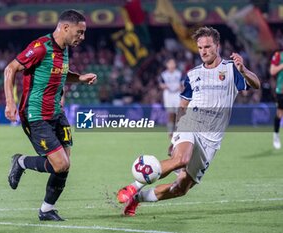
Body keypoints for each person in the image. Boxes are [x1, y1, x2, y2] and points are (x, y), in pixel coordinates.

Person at [117, 26, 260, 216]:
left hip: (211, 139)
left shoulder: (232, 69)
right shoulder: (193, 74)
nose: (203, 51)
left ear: (217, 46)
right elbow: (183, 105)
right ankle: (133, 186)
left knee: (181, 188)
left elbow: (256, 84)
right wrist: (176, 134)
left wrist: (244, 70)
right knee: (180, 159)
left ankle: (137, 199)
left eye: (208, 47)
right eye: (200, 48)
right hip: (191, 123)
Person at [4, 9, 97, 221]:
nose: (82, 37)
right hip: (36, 115)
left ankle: (46, 210)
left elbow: (60, 75)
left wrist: (80, 78)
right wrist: (9, 102)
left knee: (64, 165)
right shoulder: (40, 47)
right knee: (60, 164)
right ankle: (21, 162)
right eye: (79, 32)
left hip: (57, 113)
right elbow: (10, 69)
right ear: (65, 28)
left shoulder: (63, 48)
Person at [158, 58, 183, 155]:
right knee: (170, 114)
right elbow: (161, 84)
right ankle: (170, 132)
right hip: (168, 94)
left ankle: (178, 131)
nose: (172, 65)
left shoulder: (179, 73)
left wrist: (180, 87)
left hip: (177, 94)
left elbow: (182, 83)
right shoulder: (164, 74)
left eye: (173, 63)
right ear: (167, 64)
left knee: (178, 113)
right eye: (170, 63)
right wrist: (165, 86)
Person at [270, 49, 283, 149]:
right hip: (281, 90)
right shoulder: (278, 55)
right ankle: (276, 136)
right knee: (279, 114)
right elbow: (272, 70)